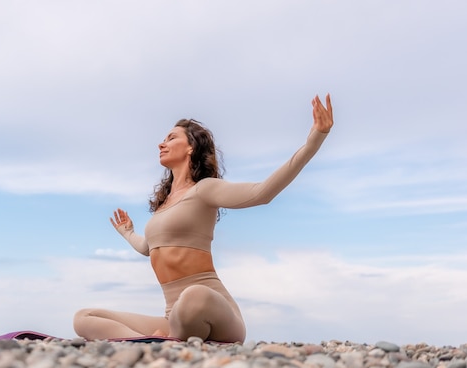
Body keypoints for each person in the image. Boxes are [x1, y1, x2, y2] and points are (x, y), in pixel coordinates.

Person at [73, 94, 334, 343]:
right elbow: (149, 248)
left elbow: (262, 193)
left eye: (171, 138)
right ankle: (149, 341)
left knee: (192, 297)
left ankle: (167, 337)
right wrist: (128, 233)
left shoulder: (204, 189)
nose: (160, 143)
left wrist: (315, 140)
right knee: (84, 317)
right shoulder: (164, 204)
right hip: (174, 318)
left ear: (190, 148)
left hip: (212, 312)